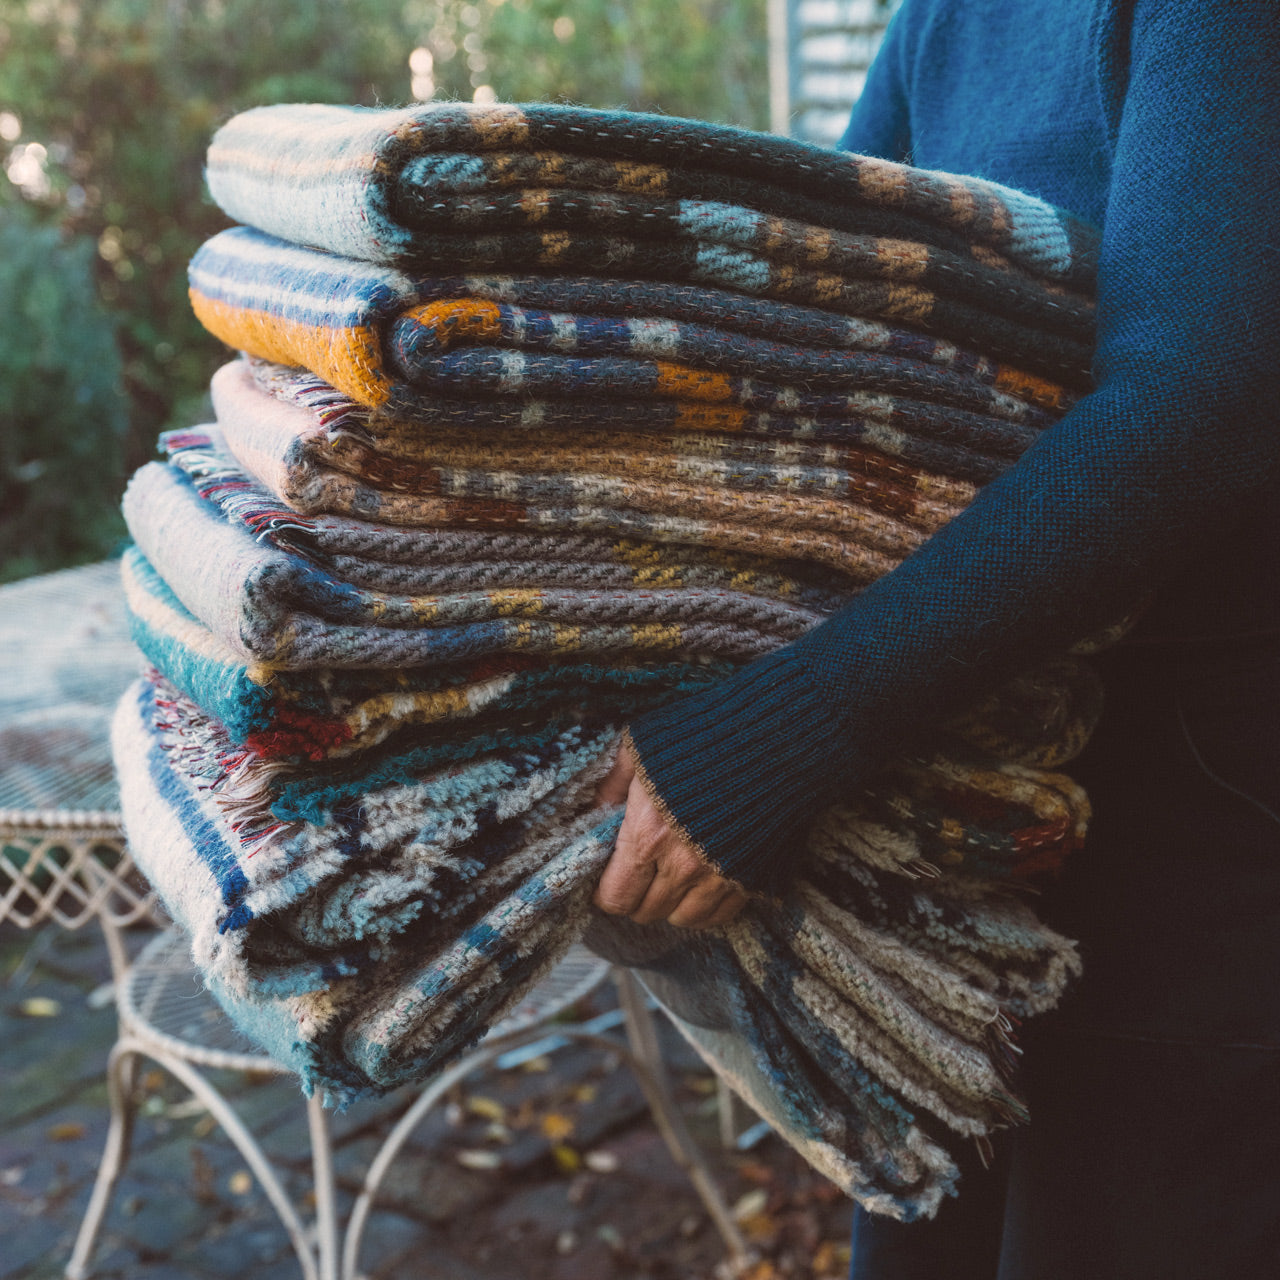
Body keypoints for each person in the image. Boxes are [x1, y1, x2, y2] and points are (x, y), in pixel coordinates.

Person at [592, 2, 1280, 1275]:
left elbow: (1203, 402)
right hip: (950, 815)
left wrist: (787, 731)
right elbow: (819, 318)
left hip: (1190, 826)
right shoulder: (947, 14)